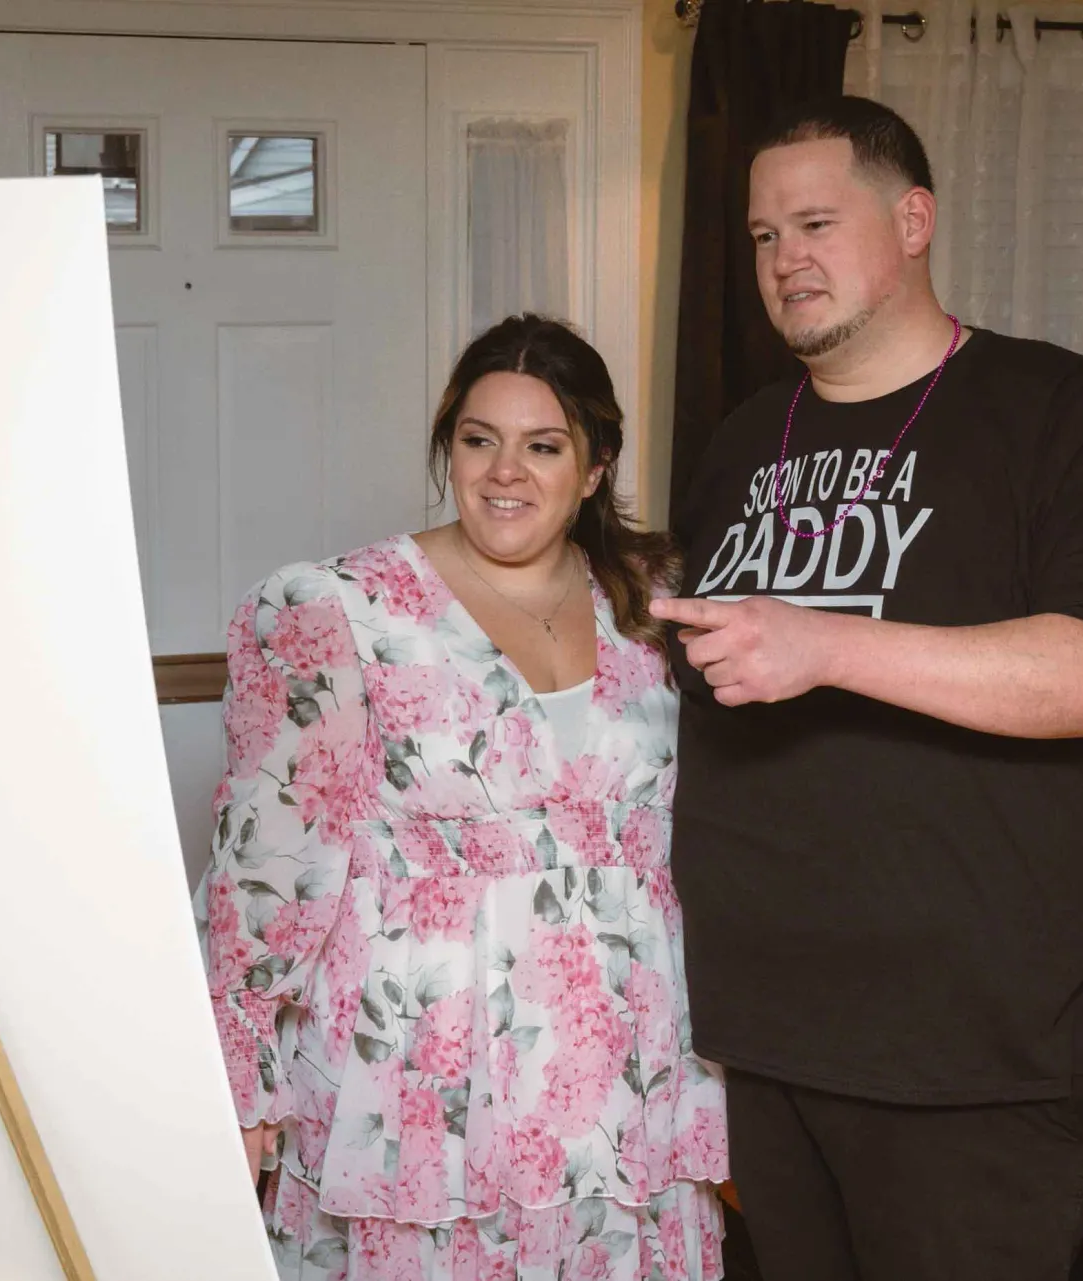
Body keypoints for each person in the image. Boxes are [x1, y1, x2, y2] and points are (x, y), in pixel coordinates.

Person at [655, 96, 1083, 1281]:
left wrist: (829, 646)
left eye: (815, 223)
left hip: (975, 1051)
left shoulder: (1057, 408)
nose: (785, 260)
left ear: (912, 221)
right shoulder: (744, 439)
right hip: (767, 1026)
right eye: (763, 236)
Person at [197, 314, 729, 1281]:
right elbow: (264, 871)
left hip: (625, 1077)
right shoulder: (336, 608)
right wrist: (242, 1080)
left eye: (543, 446)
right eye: (480, 440)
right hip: (423, 1078)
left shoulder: (660, 601)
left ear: (596, 466)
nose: (504, 472)